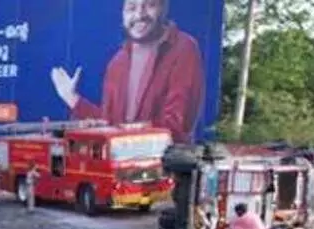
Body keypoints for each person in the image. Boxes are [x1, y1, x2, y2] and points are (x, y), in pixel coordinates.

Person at [49, 0, 206, 144]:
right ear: (123, 14)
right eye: (131, 7)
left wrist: (122, 135)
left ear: (163, 8)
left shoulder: (183, 48)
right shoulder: (116, 63)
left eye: (149, 5)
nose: (139, 15)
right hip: (121, 167)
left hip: (164, 168)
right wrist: (73, 99)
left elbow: (176, 127)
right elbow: (108, 124)